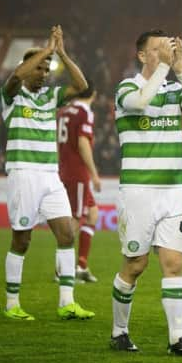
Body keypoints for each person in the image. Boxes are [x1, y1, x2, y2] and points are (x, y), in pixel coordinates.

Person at [110, 29, 182, 356]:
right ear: (141, 55)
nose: (164, 53)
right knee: (135, 265)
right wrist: (166, 69)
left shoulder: (171, 89)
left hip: (173, 192)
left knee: (173, 264)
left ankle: (177, 339)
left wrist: (179, 70)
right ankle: (119, 331)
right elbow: (140, 102)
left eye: (167, 48)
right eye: (157, 50)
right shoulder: (126, 87)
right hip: (138, 192)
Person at [0, 25, 95, 320]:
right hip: (23, 173)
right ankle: (11, 304)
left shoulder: (50, 98)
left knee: (67, 233)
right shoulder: (11, 98)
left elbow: (81, 86)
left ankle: (67, 301)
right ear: (27, 68)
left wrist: (61, 53)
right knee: (22, 240)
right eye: (38, 68)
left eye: (46, 69)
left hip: (50, 176)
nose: (43, 73)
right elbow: (16, 76)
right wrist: (46, 49)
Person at [57, 81, 101, 283]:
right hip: (78, 172)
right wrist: (93, 173)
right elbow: (83, 144)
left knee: (92, 213)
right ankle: (60, 270)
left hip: (64, 168)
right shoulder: (85, 112)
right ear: (93, 93)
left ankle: (81, 266)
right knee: (75, 219)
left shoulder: (64, 110)